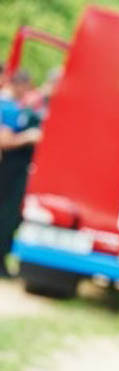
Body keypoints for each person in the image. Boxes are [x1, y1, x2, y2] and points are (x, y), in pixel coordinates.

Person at [0, 67, 43, 278]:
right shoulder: (7, 107)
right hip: (7, 171)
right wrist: (29, 137)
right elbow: (4, 141)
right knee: (5, 216)